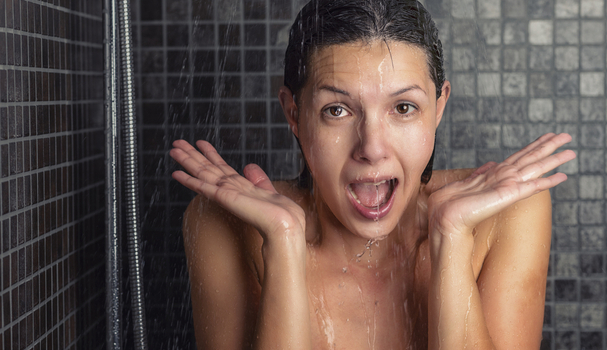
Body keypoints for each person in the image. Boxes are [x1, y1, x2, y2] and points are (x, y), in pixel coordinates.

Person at [170, 0, 576, 349]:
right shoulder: (226, 222)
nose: (372, 147)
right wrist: (282, 244)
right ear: (294, 113)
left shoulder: (505, 214)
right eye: (337, 110)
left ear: (438, 107)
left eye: (403, 108)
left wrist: (451, 239)